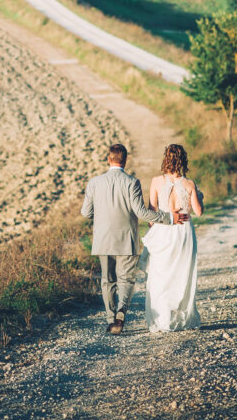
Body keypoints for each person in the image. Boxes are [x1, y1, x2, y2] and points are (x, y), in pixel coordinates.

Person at [81, 142, 187, 335]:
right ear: (125, 160)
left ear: (109, 159)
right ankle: (122, 310)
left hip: (103, 240)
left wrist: (103, 215)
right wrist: (169, 218)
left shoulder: (94, 183)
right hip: (126, 239)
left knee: (107, 280)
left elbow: (86, 212)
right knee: (126, 280)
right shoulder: (131, 182)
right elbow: (142, 213)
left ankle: (110, 318)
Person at [141, 143, 203, 332]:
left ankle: (163, 319)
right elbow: (199, 212)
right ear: (183, 160)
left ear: (165, 159)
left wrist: (156, 229)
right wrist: (200, 196)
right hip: (183, 230)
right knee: (182, 273)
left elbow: (152, 213)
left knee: (161, 274)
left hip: (164, 228)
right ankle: (181, 319)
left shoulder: (156, 182)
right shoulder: (189, 184)